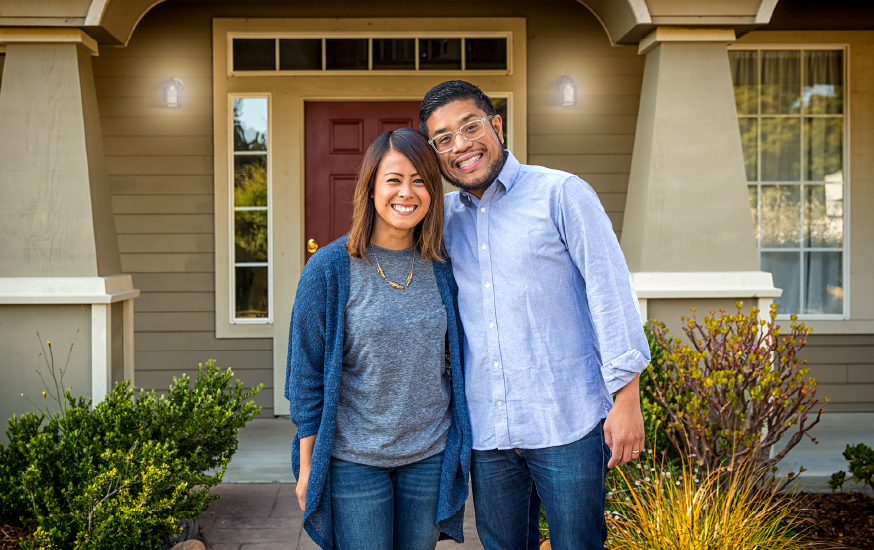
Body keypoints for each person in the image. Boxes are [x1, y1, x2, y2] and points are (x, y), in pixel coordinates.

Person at [419, 80, 651, 550]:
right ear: (436, 152)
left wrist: (627, 400)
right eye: (444, 139)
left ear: (496, 126)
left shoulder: (562, 194)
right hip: (488, 431)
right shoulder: (439, 219)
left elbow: (610, 294)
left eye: (470, 127)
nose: (461, 145)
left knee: (578, 544)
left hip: (566, 419)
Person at [285, 127, 472, 550]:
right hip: (354, 461)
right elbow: (305, 375)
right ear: (371, 189)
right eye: (394, 179)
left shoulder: (443, 266)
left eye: (420, 180)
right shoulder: (330, 269)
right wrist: (308, 465)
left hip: (429, 456)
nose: (407, 193)